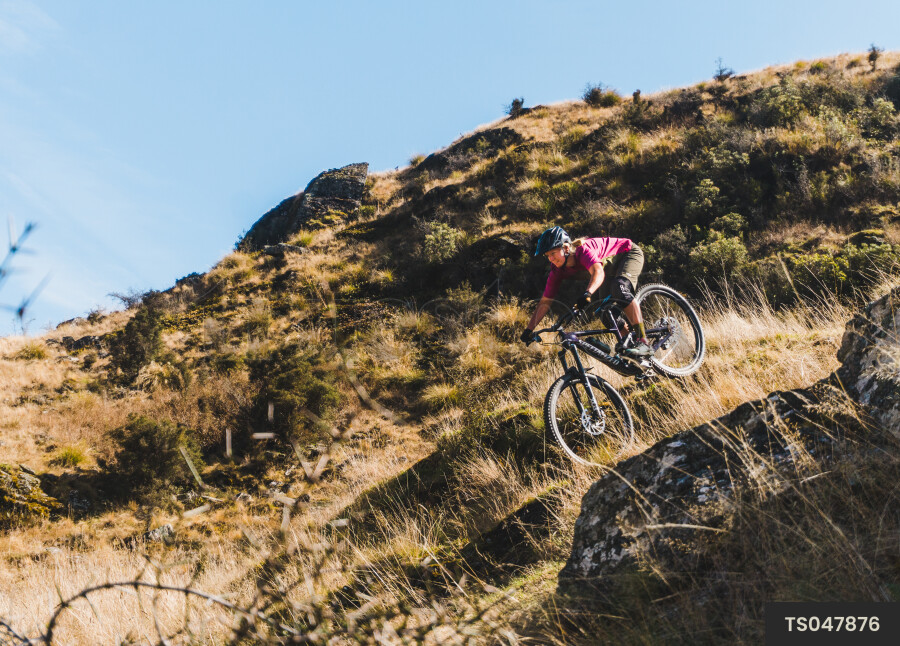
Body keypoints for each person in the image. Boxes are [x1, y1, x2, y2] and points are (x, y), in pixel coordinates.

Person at [520, 226, 654, 358]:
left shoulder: (582, 251)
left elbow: (598, 272)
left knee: (620, 288)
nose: (551, 259)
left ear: (566, 248)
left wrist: (588, 293)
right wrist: (529, 329)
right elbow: (545, 302)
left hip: (628, 253)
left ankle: (644, 342)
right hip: (610, 270)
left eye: (553, 253)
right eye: (547, 255)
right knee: (606, 313)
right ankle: (632, 349)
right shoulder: (557, 270)